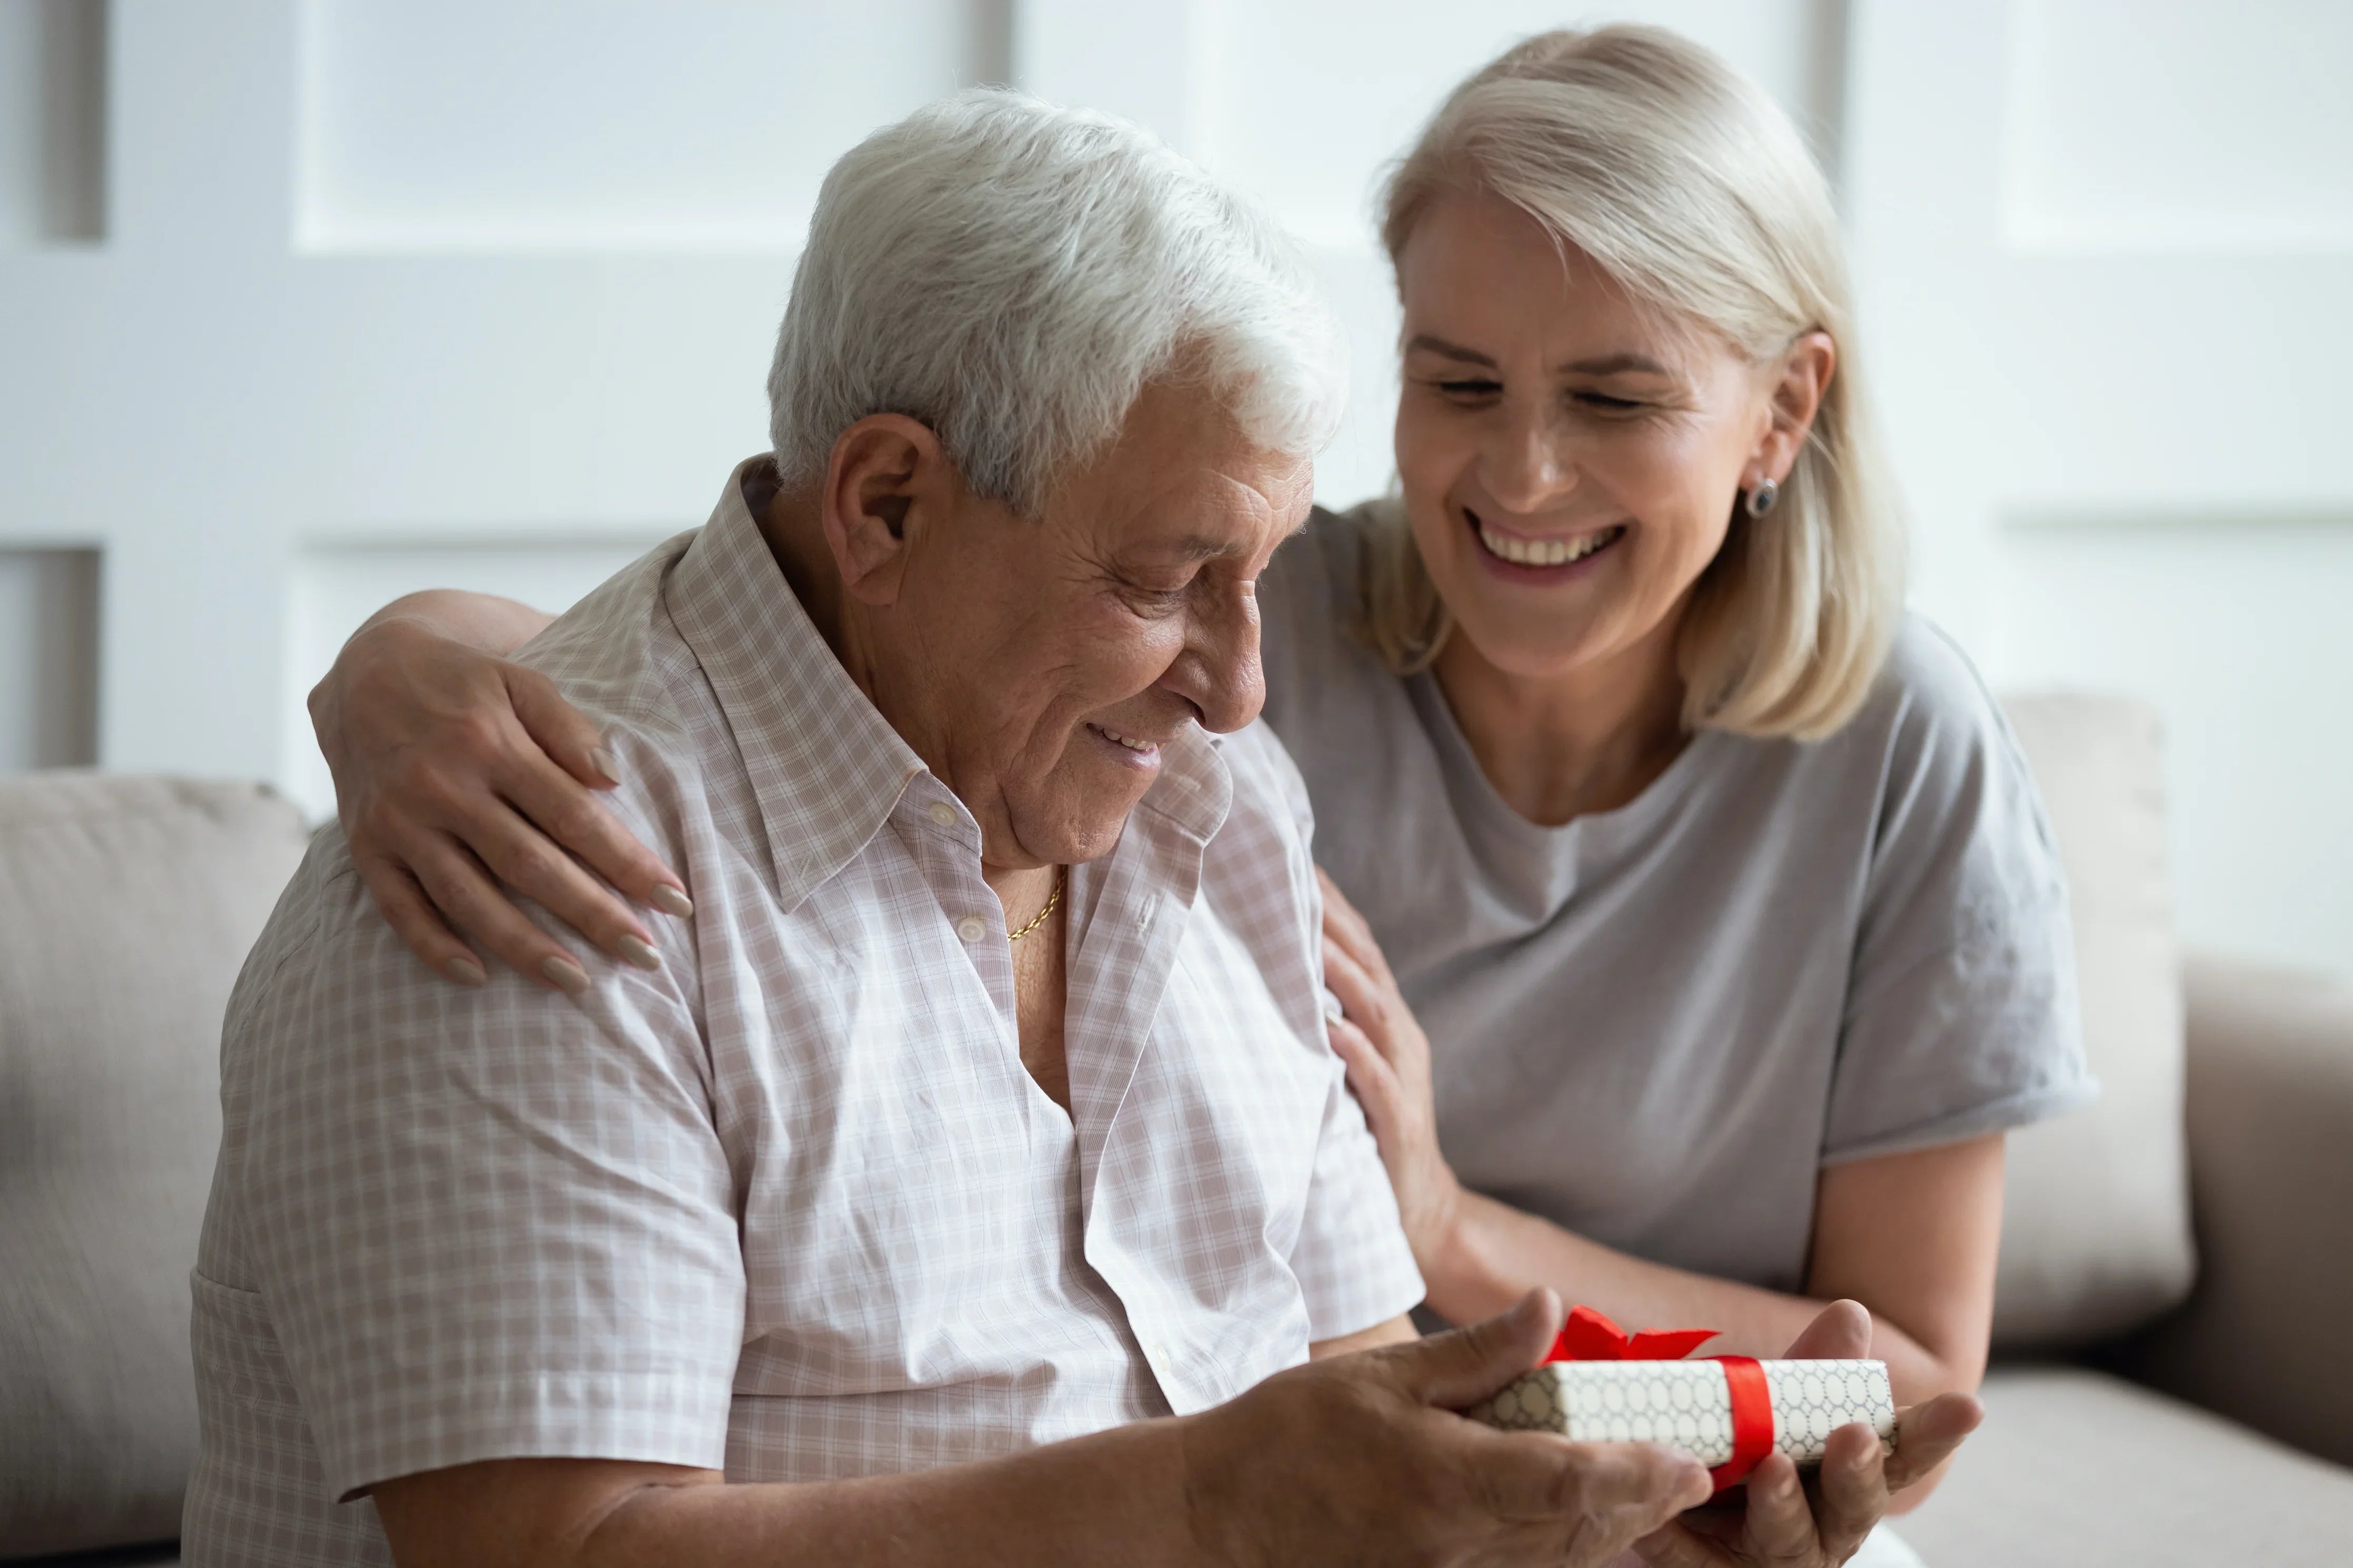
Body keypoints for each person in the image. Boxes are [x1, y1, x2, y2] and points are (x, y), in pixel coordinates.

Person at [191, 87, 1973, 1568]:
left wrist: (1613, 1529)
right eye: (1171, 580)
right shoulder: (531, 862)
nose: (1247, 688)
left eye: (1261, 579)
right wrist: (1206, 1505)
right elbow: (560, 1557)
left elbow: (1369, 1413)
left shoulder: (1210, 812)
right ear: (887, 503)